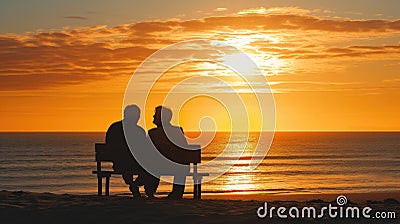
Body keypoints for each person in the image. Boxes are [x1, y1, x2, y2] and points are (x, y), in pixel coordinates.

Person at [105, 105, 158, 198]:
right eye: (138, 115)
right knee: (153, 169)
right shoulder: (139, 131)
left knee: (144, 167)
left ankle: (134, 185)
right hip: (131, 164)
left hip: (118, 164)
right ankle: (142, 188)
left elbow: (109, 147)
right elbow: (143, 150)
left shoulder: (114, 127)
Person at [148, 106, 190, 199]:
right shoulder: (177, 130)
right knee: (182, 167)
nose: (153, 116)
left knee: (151, 166)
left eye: (155, 115)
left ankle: (150, 191)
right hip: (176, 167)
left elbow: (147, 151)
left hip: (158, 167)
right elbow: (185, 148)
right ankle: (177, 194)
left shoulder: (152, 133)